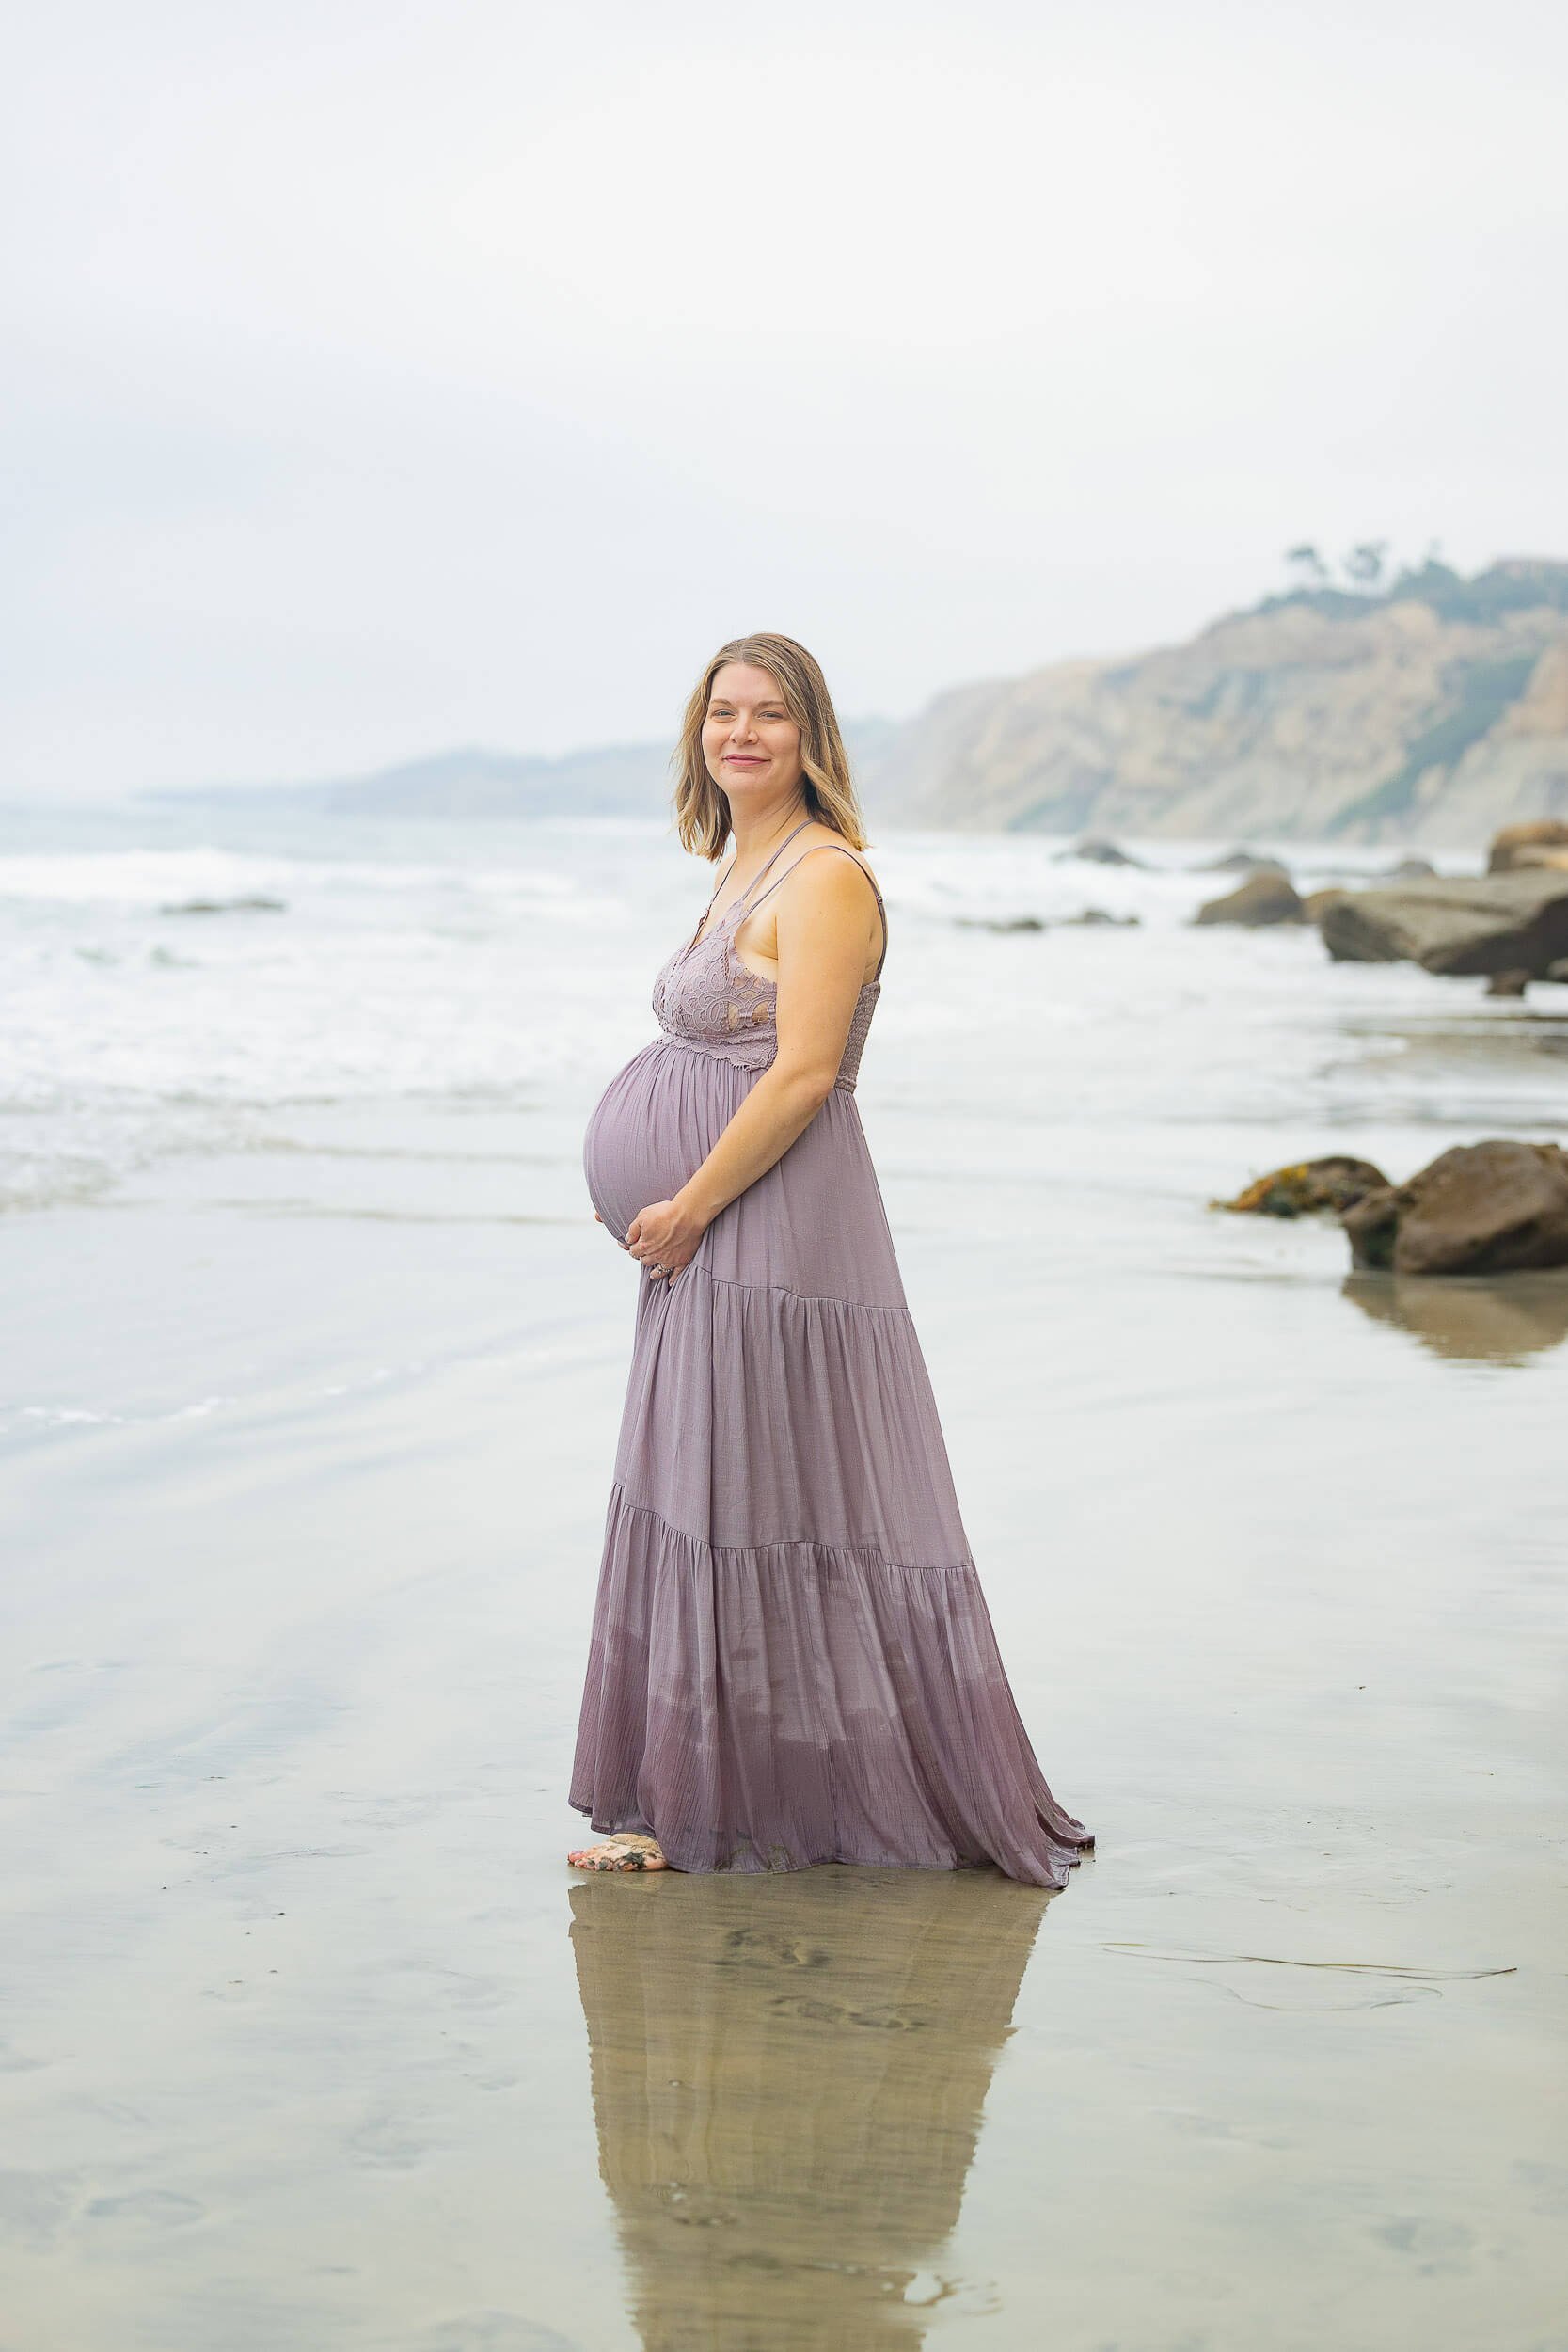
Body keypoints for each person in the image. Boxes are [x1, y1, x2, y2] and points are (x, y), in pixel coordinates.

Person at [570, 633, 1093, 1887]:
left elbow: (804, 1074)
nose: (740, 735)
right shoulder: (740, 860)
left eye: (768, 717)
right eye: (721, 714)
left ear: (812, 738)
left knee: (761, 1496)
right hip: (714, 1231)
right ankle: (696, 1797)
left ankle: (770, 1802)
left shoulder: (828, 879)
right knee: (711, 1489)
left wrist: (689, 1203)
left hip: (771, 1223)